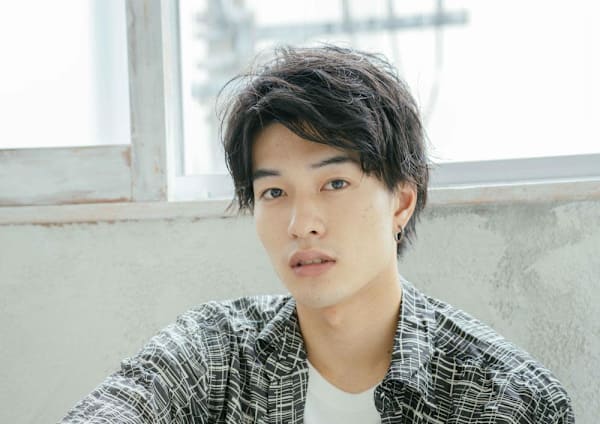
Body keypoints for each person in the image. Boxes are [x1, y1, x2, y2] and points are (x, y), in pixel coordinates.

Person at [61, 46, 573, 423]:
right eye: (274, 192)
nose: (301, 223)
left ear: (401, 201)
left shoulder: (509, 399)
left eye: (334, 184)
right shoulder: (215, 351)